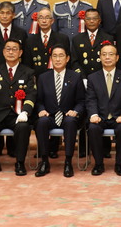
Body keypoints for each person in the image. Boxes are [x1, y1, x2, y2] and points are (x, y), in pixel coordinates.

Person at [0, 39, 37, 176]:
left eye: (14, 49)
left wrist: (25, 112)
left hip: (17, 115)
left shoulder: (28, 72)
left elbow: (31, 94)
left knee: (23, 127)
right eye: (8, 49)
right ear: (3, 52)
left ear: (20, 52)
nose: (11, 52)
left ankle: (20, 162)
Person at [34, 45, 85, 177]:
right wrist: (41, 110)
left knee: (70, 122)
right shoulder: (43, 77)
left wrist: (75, 111)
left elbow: (81, 101)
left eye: (61, 56)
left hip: (68, 115)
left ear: (67, 58)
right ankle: (44, 161)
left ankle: (68, 162)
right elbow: (38, 101)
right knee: (41, 122)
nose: (57, 59)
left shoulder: (75, 77)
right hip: (50, 115)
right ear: (51, 59)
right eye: (54, 56)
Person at [86, 42, 121, 176]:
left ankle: (120, 164)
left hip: (118, 117)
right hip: (100, 116)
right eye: (104, 54)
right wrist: (93, 115)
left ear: (117, 57)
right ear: (100, 57)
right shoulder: (92, 78)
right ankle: (98, 164)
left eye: (111, 54)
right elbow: (91, 99)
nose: (107, 57)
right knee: (93, 128)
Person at [23, 7, 69, 77]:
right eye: (41, 18)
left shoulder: (62, 39)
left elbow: (67, 63)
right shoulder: (30, 41)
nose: (44, 21)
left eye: (47, 18)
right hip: (36, 78)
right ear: (37, 21)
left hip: (58, 77)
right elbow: (27, 64)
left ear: (52, 21)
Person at [70, 8, 113, 78]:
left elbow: (110, 60)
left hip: (102, 77)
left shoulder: (108, 38)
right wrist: (82, 77)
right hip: (83, 78)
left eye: (95, 19)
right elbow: (74, 62)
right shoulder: (77, 39)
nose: (91, 21)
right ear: (84, 21)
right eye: (88, 19)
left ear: (99, 21)